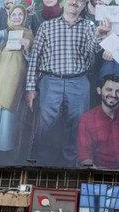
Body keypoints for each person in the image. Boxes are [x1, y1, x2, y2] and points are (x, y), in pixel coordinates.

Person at [26, 0, 111, 166]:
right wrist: (30, 87)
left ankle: (69, 166)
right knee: (45, 125)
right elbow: (35, 57)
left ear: (83, 5)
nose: (75, 2)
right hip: (50, 82)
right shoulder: (46, 26)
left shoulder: (89, 26)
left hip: (79, 82)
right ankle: (40, 165)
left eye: (79, 0)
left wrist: (98, 34)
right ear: (63, 2)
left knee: (77, 126)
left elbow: (90, 54)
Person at [0, 4, 33, 164]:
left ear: (24, 17)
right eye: (14, 14)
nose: (17, 17)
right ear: (9, 16)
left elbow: (33, 59)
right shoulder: (4, 33)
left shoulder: (29, 34)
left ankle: (1, 158)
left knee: (6, 124)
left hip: (12, 86)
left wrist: (27, 46)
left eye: (20, 15)